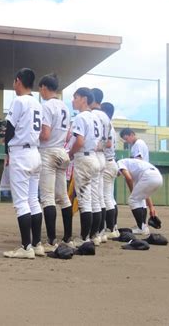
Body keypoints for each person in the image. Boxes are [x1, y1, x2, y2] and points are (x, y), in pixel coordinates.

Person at [2, 68, 43, 259]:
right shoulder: (37, 103)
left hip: (20, 153)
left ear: (18, 81)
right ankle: (37, 244)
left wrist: (6, 152)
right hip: (35, 152)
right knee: (33, 200)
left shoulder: (19, 100)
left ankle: (26, 248)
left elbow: (9, 129)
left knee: (21, 203)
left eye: (14, 81)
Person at [38, 73, 73, 252]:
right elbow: (68, 135)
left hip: (48, 152)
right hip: (62, 151)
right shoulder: (65, 106)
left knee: (47, 198)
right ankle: (68, 237)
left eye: (40, 89)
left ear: (44, 87)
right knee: (63, 197)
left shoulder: (46, 106)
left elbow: (44, 134)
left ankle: (51, 240)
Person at [67, 87, 100, 247]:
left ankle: (84, 238)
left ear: (84, 99)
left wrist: (71, 153)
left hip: (84, 158)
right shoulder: (96, 118)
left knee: (85, 201)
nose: (73, 100)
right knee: (94, 200)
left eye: (76, 97)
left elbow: (79, 142)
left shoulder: (81, 117)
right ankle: (94, 236)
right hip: (94, 157)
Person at [116, 158, 163, 235]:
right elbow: (145, 194)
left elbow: (128, 178)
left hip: (149, 175)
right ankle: (144, 227)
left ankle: (141, 228)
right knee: (140, 199)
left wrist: (132, 192)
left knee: (133, 200)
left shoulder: (119, 163)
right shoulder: (134, 168)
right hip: (158, 177)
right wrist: (151, 207)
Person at [89, 87, 111, 246]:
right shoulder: (105, 116)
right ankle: (101, 232)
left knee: (92, 198)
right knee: (101, 197)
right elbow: (109, 142)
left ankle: (93, 234)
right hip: (103, 156)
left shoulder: (92, 114)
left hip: (93, 155)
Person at [120, 128, 152, 228]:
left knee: (135, 200)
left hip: (141, 173)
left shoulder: (138, 143)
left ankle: (141, 226)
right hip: (143, 174)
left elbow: (138, 159)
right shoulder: (138, 144)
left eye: (127, 138)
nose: (127, 141)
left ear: (132, 134)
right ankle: (143, 225)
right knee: (141, 200)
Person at [101, 102, 120, 238]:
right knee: (110, 198)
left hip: (107, 162)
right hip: (111, 162)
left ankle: (110, 228)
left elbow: (107, 143)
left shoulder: (106, 123)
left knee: (106, 198)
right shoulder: (110, 125)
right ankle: (113, 227)